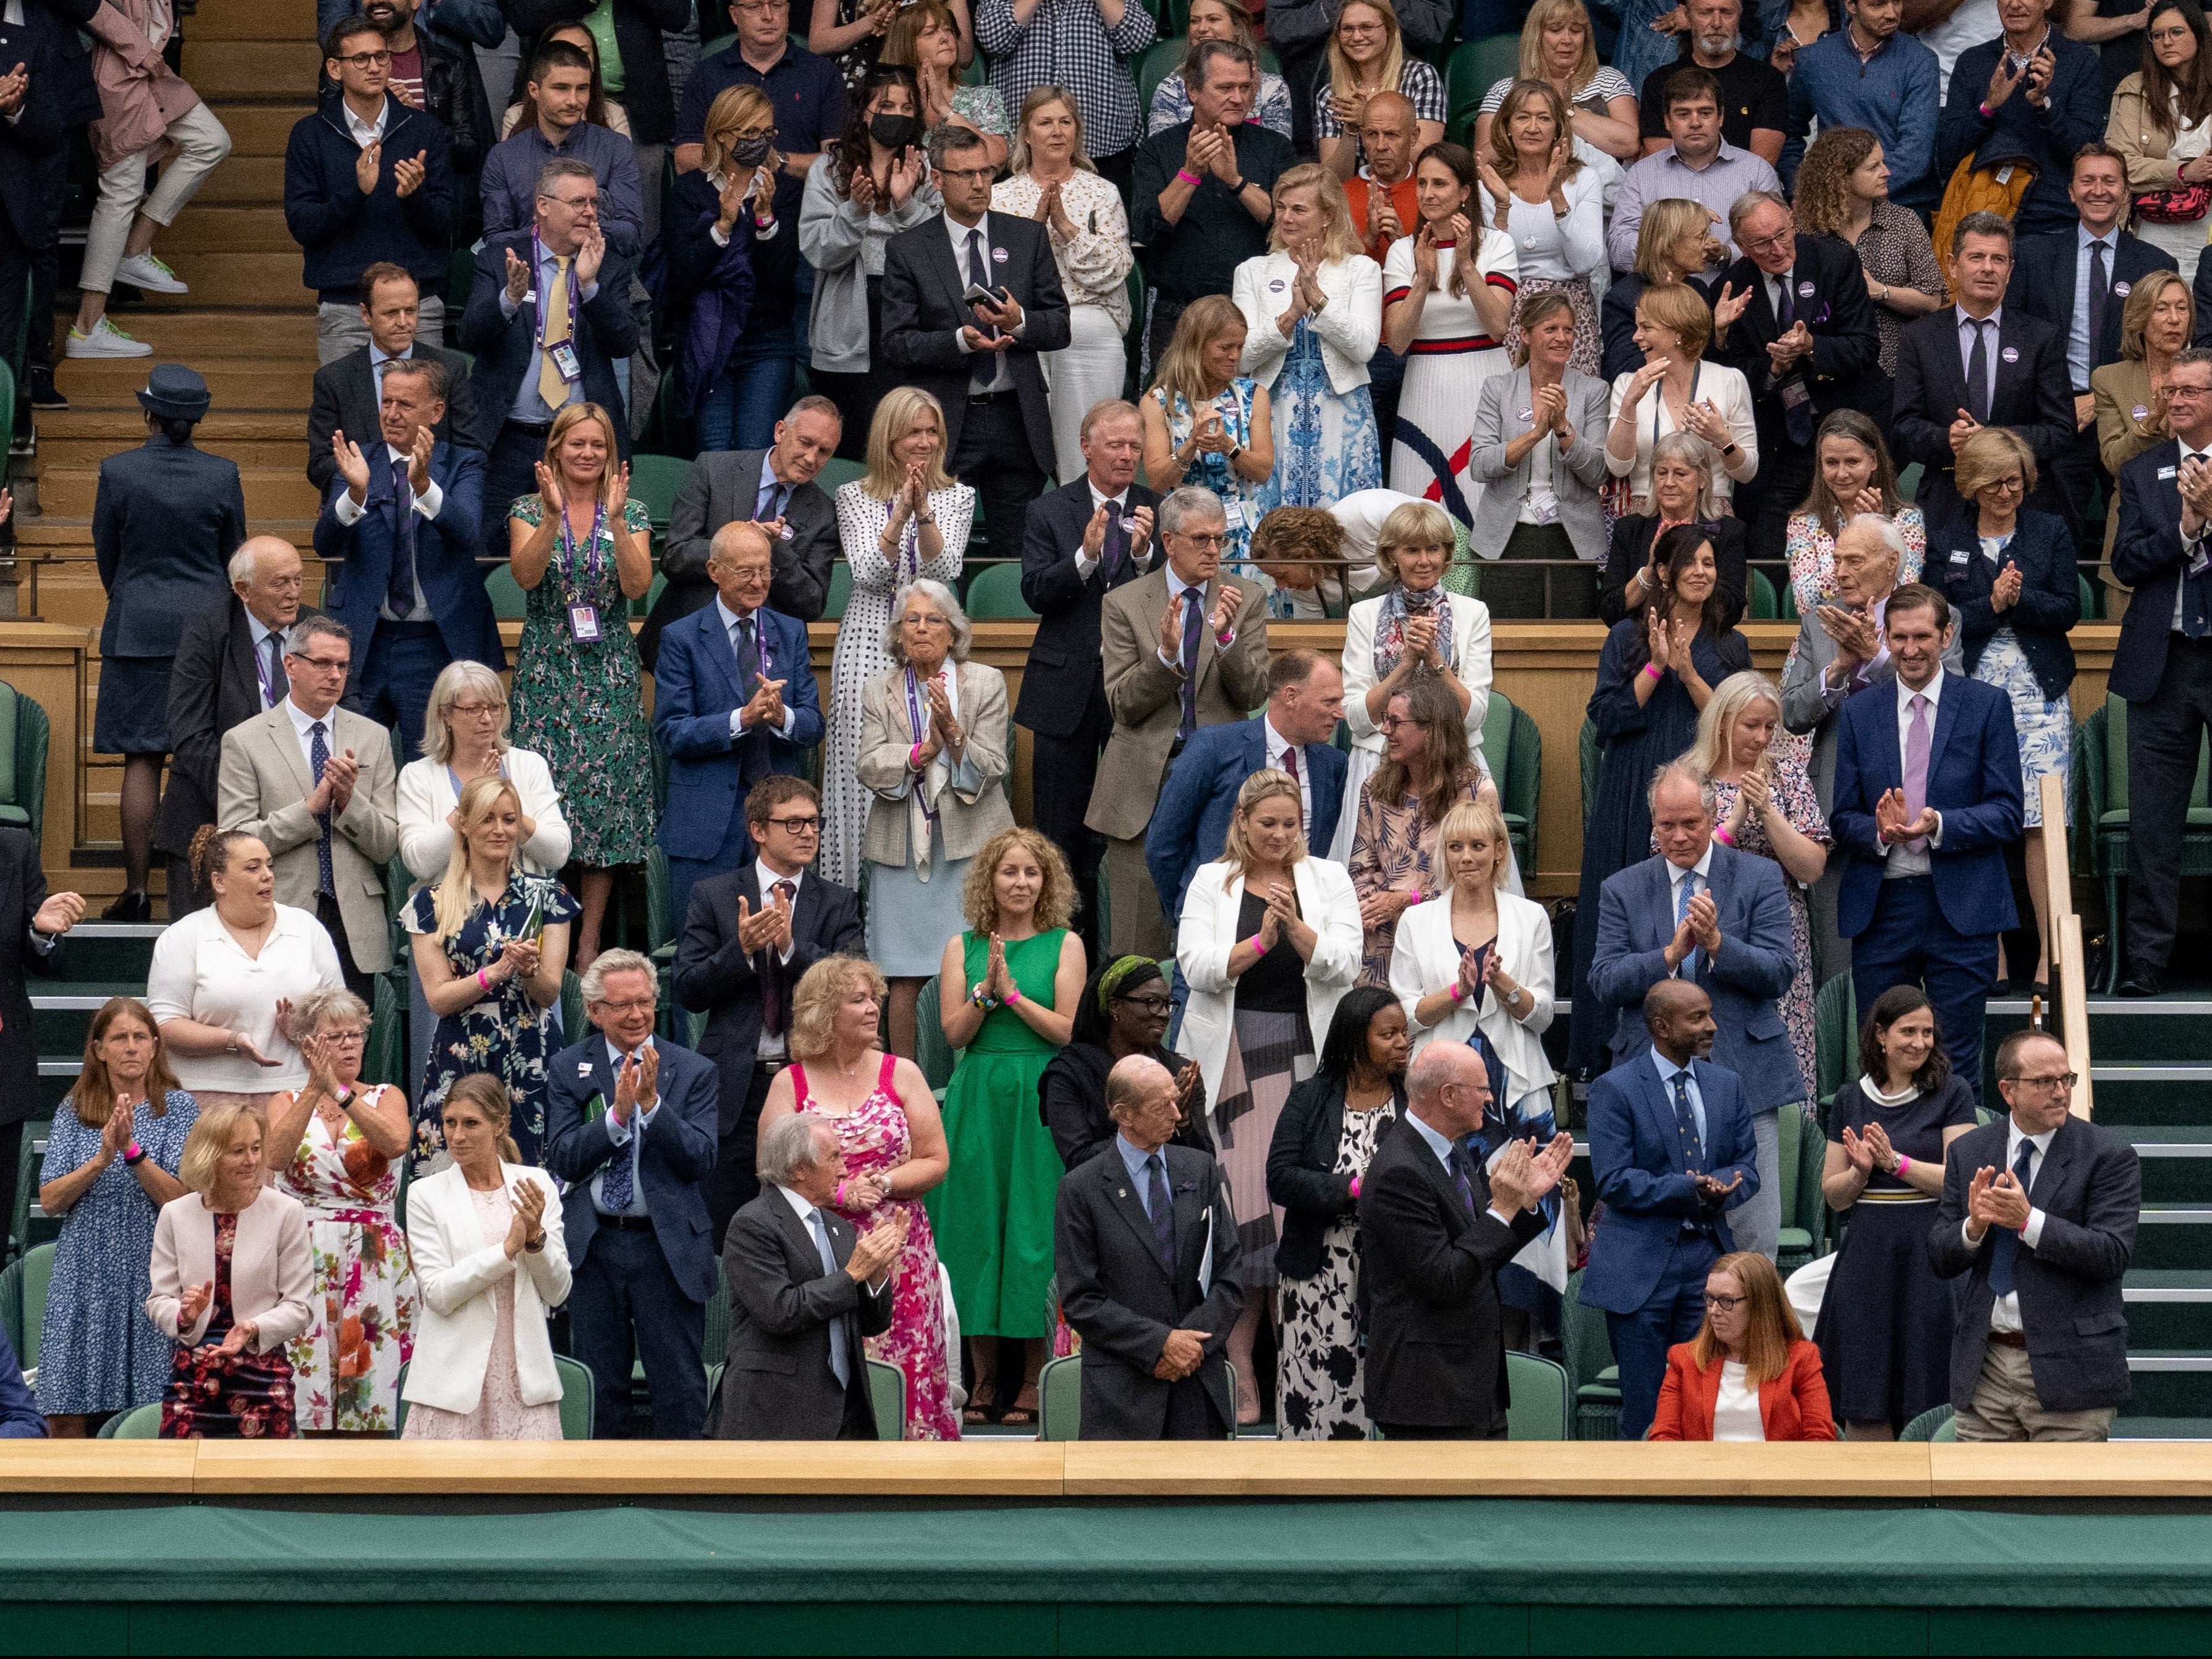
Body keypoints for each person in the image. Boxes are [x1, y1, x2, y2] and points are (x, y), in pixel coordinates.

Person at [1176, 768, 1362, 1422]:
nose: (1281, 836)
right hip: (1233, 1057)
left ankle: (1299, 1371)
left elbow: (1347, 961)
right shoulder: (1211, 881)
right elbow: (1194, 967)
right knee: (1243, 1206)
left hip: (1308, 1055)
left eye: (1291, 825)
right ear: (1243, 823)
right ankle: (1243, 1369)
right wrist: (1259, 942)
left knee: (1295, 1213)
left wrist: (1298, 932)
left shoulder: (1327, 880)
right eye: (1268, 825)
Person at [1588, 761, 1801, 1264]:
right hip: (1648, 1082)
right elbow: (1604, 981)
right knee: (1655, 1236)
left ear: (1712, 815)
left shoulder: (1759, 876)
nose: (1679, 836)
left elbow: (1779, 971)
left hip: (1742, 1076)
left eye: (1690, 823)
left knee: (1749, 1243)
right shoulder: (1622, 888)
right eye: (1666, 825)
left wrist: (1717, 944)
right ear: (1653, 823)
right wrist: (1668, 955)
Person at [1830, 583, 2023, 1099]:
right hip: (1883, 906)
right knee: (1881, 1058)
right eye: (1899, 637)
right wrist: (1876, 830)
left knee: (1955, 1059)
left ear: (1946, 634)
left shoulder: (1986, 706)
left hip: (1961, 908)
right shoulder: (1859, 712)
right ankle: (1887, 1172)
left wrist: (1940, 825)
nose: (1910, 649)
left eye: (1922, 636)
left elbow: (2008, 813)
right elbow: (1840, 818)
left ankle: (1956, 1177)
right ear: (1884, 639)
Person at [1571, 527, 1752, 1076]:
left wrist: (1687, 670)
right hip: (1631, 788)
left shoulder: (1729, 643)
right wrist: (1653, 666)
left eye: (1710, 562)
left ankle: (1700, 1041)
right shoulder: (1626, 636)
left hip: (1697, 787)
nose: (1703, 572)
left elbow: (1729, 721)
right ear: (1667, 572)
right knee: (1626, 914)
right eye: (1692, 563)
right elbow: (1605, 717)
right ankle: (1606, 1056)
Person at [759, 954, 956, 1440]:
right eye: (858, 1000)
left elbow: (935, 1158)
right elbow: (771, 1168)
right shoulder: (791, 1082)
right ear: (824, 1012)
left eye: (875, 999)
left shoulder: (901, 1072)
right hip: (819, 1251)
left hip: (899, 1248)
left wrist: (884, 1184)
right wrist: (844, 1191)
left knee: (907, 1363)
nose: (873, 1009)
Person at [1389, 798, 1569, 1320]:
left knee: (1528, 1214)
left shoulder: (1530, 916)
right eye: (1455, 846)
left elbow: (1540, 1016)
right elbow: (1403, 1014)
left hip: (1516, 1083)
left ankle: (1522, 1344)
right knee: (1453, 1212)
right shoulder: (1416, 921)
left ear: (1498, 851)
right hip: (1444, 1089)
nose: (1466, 856)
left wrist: (1504, 985)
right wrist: (1456, 990)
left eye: (1476, 846)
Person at [928, 829, 1083, 1426]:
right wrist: (986, 997)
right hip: (978, 1096)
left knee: (1033, 1229)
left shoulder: (1064, 943)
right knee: (974, 1228)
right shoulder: (958, 945)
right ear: (988, 880)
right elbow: (953, 1033)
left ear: (1046, 882)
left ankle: (1036, 1380)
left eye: (1032, 873)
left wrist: (1011, 995)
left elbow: (1068, 1029)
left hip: (1041, 1095)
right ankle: (982, 1378)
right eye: (1009, 872)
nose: (1021, 882)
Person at [674, 775, 865, 1246]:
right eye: (794, 822)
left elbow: (853, 981)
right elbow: (687, 988)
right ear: (758, 829)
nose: (808, 832)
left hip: (811, 1079)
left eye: (814, 822)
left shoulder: (837, 901)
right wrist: (738, 952)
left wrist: (791, 949)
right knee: (727, 1226)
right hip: (736, 1088)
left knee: (809, 1228)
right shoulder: (715, 895)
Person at [1930, 1029, 2142, 1440]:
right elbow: (1939, 1255)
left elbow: (2111, 1253)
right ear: (2007, 1090)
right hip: (1986, 1368)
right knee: (1978, 1503)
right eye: (2045, 1081)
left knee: (2064, 1505)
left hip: (2070, 1372)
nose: (2060, 1092)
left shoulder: (2107, 1155)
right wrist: (1972, 1228)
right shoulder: (1969, 1152)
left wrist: (2029, 1222)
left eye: (2066, 1079)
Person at [91, 363, 247, 922]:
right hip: (208, 628)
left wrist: (134, 596)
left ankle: (136, 890)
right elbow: (237, 557)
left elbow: (107, 553)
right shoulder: (222, 474)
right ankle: (212, 892)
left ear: (149, 413)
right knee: (206, 754)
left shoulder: (117, 471)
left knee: (141, 756)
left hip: (136, 628)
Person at [1089, 486, 1271, 960]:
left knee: (1218, 935)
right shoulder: (1125, 603)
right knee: (1136, 947)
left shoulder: (1246, 597)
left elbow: (1253, 695)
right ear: (1168, 542)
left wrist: (1226, 638)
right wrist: (1165, 656)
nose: (1214, 550)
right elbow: (1123, 704)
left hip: (1219, 783)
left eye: (1220, 539)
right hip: (1142, 785)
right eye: (1201, 540)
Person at [545, 950, 721, 1440]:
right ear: (596, 1011)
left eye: (644, 1002)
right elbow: (562, 1156)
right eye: (622, 1005)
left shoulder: (692, 1070)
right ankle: (600, 1505)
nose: (636, 1015)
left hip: (666, 1249)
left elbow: (700, 1158)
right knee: (599, 1388)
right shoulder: (567, 1068)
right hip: (595, 1245)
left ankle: (682, 1501)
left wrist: (653, 1107)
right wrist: (617, 1118)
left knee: (680, 1389)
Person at [1358, 1042, 1573, 1439]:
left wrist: (1524, 1202)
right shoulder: (1398, 1172)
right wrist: (1502, 1209)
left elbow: (1478, 1251)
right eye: (1482, 1089)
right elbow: (1444, 1278)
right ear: (1449, 1095)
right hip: (1428, 1395)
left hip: (1474, 1386)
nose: (1491, 1098)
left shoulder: (1448, 1148)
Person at [505, 402, 654, 968]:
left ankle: (589, 941)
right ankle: (545, 932)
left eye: (598, 445)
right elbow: (525, 575)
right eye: (577, 444)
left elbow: (638, 584)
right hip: (548, 665)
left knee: (605, 803)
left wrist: (616, 523)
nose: (587, 454)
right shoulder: (526, 506)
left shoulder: (633, 511)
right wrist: (549, 518)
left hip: (610, 668)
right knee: (546, 795)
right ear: (555, 450)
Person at [881, 123, 1071, 561]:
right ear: (937, 179)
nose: (979, 183)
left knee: (1017, 555)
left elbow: (1059, 326)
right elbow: (895, 343)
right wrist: (959, 341)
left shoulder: (1025, 237)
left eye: (985, 172)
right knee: (940, 553)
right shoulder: (908, 250)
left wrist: (1019, 321)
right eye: (965, 174)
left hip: (1016, 417)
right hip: (944, 423)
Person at [1932, 428, 2079, 993]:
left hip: (2039, 696)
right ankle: (1988, 956)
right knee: (1980, 823)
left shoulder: (2048, 531)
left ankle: (2049, 958)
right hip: (1970, 697)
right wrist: (1990, 605)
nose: (2005, 492)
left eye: (2014, 481)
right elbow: (1941, 618)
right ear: (1971, 484)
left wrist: (2022, 600)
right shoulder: (1947, 539)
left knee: (2042, 826)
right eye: (1994, 482)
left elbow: (2066, 607)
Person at [1581, 981, 1760, 1438]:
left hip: (1707, 1261)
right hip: (1640, 1269)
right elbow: (1613, 1180)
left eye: (1709, 1014)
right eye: (1697, 1017)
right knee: (1645, 1411)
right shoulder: (1614, 1089)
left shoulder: (1727, 1084)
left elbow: (1748, 1166)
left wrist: (1727, 1186)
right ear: (1661, 1026)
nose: (1712, 1026)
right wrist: (1686, 1187)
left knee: (1706, 1405)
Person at [1017, 399, 1160, 934]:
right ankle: (1060, 951)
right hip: (1066, 691)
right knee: (1059, 833)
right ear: (1086, 447)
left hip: (1136, 691)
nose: (1127, 456)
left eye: (1134, 447)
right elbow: (1035, 592)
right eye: (1116, 445)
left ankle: (1121, 957)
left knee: (1129, 834)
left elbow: (1176, 593)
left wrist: (1146, 558)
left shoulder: (1156, 507)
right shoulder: (1050, 510)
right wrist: (1084, 557)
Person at [821, 389, 973, 890]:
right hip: (868, 637)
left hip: (932, 640)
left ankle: (925, 899)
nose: (925, 441)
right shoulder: (853, 495)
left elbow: (944, 567)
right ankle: (858, 898)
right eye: (914, 432)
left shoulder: (958, 495)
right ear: (889, 438)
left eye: (933, 432)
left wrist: (924, 510)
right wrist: (899, 513)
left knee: (930, 760)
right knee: (867, 765)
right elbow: (867, 572)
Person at [315, 358, 501, 761]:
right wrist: (356, 495)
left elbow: (469, 533)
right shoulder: (355, 461)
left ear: (435, 411)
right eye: (386, 402)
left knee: (435, 773)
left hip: (435, 644)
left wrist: (424, 486)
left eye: (404, 404)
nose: (392, 414)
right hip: (366, 641)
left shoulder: (463, 463)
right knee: (355, 767)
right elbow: (323, 542)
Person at [857, 579, 1013, 1058]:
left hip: (970, 844)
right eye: (912, 620)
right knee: (903, 973)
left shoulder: (984, 681)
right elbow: (868, 762)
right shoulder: (877, 689)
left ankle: (969, 1076)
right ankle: (905, 1084)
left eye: (934, 620)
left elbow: (993, 765)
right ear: (898, 634)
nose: (922, 628)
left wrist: (953, 732)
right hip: (900, 845)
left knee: (971, 966)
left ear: (953, 634)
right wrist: (921, 751)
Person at [1814, 986, 1978, 1438]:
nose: (1919, 1042)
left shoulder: (1952, 1092)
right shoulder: (1850, 1098)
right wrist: (1860, 1173)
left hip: (1931, 1255)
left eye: (1927, 1032)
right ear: (1880, 1036)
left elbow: (1959, 1182)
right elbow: (1833, 1194)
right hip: (1867, 1258)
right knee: (1866, 1389)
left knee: (1929, 1383)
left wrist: (1895, 1163)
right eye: (1908, 1031)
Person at [1054, 1054, 1244, 1438]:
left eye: (1176, 1100)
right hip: (1123, 1394)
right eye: (1163, 1106)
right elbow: (1081, 1299)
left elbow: (1230, 1273)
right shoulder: (1081, 1189)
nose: (1177, 1114)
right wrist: (1160, 1344)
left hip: (1197, 1385)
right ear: (1124, 1115)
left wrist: (1188, 1348)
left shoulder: (1200, 1169)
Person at [214, 616, 399, 1005]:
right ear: (291, 664)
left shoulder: (373, 737)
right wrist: (310, 810)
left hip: (356, 926)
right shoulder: (244, 741)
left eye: (343, 666)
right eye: (322, 664)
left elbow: (386, 846)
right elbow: (233, 843)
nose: (334, 675)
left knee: (352, 1055)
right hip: (280, 914)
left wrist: (350, 802)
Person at [459, 159, 638, 554]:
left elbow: (625, 341)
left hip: (579, 445)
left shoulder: (609, 263)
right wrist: (508, 298)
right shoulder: (499, 257)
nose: (590, 212)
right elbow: (470, 335)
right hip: (506, 437)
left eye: (593, 202)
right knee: (485, 550)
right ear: (543, 205)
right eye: (578, 202)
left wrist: (590, 287)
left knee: (581, 552)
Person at [33, 998, 194, 1434]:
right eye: (119, 1037)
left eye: (140, 1037)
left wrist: (131, 1152)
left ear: (155, 1047)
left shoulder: (178, 1109)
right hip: (85, 1269)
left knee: (152, 1406)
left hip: (153, 1266)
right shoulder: (76, 1107)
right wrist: (102, 1157)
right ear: (99, 1049)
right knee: (67, 1407)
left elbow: (183, 1198)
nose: (131, 1047)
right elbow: (50, 1199)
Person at [653, 523, 824, 931]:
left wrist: (782, 716)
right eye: (746, 571)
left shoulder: (790, 631)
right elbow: (672, 731)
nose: (759, 582)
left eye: (766, 571)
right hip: (706, 823)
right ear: (714, 571)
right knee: (701, 953)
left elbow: (814, 724)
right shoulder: (681, 637)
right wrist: (741, 719)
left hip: (779, 824)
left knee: (782, 952)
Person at [2106, 345, 2212, 995]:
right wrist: (2185, 529)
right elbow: (2125, 561)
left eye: (2191, 392)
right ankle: (2146, 966)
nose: (2176, 401)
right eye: (2171, 391)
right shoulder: (2144, 472)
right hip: (2162, 664)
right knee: (2152, 824)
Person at [263, 986, 415, 1434]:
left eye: (356, 1035)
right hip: (305, 1253)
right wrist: (316, 1090)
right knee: (305, 1376)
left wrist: (342, 1093)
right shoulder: (285, 1101)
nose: (349, 1044)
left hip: (373, 1254)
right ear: (309, 1043)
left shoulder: (386, 1095)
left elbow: (394, 1142)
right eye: (336, 1036)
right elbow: (274, 1156)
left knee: (369, 1387)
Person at [2010, 145, 2181, 536]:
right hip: (2058, 416)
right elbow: (2018, 340)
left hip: (2133, 415)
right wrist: (2059, 405)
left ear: (2126, 191)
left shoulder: (2155, 264)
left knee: (2141, 532)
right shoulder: (2034, 257)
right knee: (2056, 538)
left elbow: (2164, 345)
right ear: (2071, 191)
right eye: (2087, 181)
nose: (2098, 190)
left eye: (2109, 181)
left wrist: (2099, 397)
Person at [404, 776, 575, 1166]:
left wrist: (530, 970)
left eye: (509, 820)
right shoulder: (430, 903)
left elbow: (549, 993)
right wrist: (494, 974)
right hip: (461, 1051)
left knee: (533, 1178)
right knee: (455, 1185)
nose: (500, 830)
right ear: (463, 824)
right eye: (487, 819)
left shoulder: (548, 896)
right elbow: (438, 998)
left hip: (532, 1051)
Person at [156, 539, 328, 919]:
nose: (293, 593)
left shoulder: (317, 630)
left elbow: (345, 714)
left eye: (299, 581)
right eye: (280, 583)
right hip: (209, 813)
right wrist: (248, 794)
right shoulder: (208, 628)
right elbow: (190, 732)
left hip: (300, 822)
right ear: (243, 590)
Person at [1679, 673, 1831, 1103]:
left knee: (1780, 1040)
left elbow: (1812, 866)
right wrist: (1732, 823)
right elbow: (1675, 860)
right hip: (1707, 921)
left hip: (1776, 927)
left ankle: (1785, 1152)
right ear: (1723, 720)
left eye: (1770, 726)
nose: (1763, 737)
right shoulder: (1689, 778)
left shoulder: (1787, 777)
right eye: (1752, 725)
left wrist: (1767, 812)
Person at [1708, 191, 1879, 564]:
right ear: (1740, 244)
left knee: (1859, 543)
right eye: (1761, 243)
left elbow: (1865, 347)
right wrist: (1773, 367)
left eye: (1782, 234)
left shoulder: (1834, 261)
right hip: (1781, 437)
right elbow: (1730, 373)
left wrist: (1812, 347)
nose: (1776, 249)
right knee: (1767, 545)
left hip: (1844, 420)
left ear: (1791, 219)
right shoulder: (1732, 287)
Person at [1267, 987, 1407, 1440]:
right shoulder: (1309, 1097)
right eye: (1388, 1034)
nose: (1402, 1042)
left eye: (1404, 1032)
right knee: (1314, 1386)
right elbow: (1280, 1177)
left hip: (1391, 1269)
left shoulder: (1414, 1100)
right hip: (1318, 1269)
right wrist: (1349, 1187)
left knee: (1379, 1381)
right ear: (1354, 1039)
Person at [399, 1073, 571, 1439]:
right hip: (451, 1383)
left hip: (525, 1380)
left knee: (530, 1493)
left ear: (500, 1126)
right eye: (450, 1123)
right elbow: (438, 1294)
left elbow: (557, 1292)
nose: (457, 1136)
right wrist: (507, 1250)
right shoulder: (425, 1194)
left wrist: (535, 1240)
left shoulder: (537, 1184)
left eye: (471, 1124)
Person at [1892, 213, 2078, 542]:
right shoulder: (1919, 338)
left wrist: (1993, 441)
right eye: (1976, 257)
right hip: (1946, 505)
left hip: (2024, 506)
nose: (1988, 268)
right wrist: (1947, 440)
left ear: (2011, 270)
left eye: (1998, 259)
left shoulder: (2041, 338)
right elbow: (1905, 428)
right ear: (1953, 265)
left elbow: (2061, 431)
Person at [718, 1113, 904, 1438]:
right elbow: (781, 1311)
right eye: (833, 1158)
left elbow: (872, 1323)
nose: (845, 1170)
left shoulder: (838, 1228)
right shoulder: (753, 1224)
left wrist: (876, 1273)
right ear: (798, 1169)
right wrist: (852, 1274)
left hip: (846, 1411)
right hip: (775, 1412)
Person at [65, 0, 230, 361]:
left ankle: (136, 248)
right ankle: (87, 328)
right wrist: (140, 49)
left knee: (211, 141)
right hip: (117, 74)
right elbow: (86, 7)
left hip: (150, 73)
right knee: (119, 193)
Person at [287, 17, 457, 365]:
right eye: (361, 59)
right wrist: (356, 191)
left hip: (416, 306)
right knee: (349, 416)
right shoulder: (310, 135)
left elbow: (446, 222)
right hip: (346, 306)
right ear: (335, 68)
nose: (374, 67)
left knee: (422, 413)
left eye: (382, 57)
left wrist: (414, 197)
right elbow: (303, 225)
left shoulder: (424, 130)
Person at [146, 829, 342, 1117]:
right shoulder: (184, 936)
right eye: (253, 867)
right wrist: (232, 1040)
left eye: (269, 865)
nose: (268, 875)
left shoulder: (307, 928)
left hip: (298, 1093)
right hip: (206, 1099)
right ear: (219, 881)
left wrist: (298, 1032)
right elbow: (165, 1026)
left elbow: (340, 1017)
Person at [994, 89, 1135, 488]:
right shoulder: (1003, 195)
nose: (1057, 132)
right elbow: (1001, 277)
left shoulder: (1101, 192)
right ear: (1026, 134)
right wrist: (1035, 232)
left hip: (1089, 321)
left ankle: (1089, 526)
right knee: (1032, 446)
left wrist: (1069, 230)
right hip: (1024, 324)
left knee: (1090, 447)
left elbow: (1116, 270)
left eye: (1065, 122)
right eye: (1045, 123)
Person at [1148, 649, 1350, 925]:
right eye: (1330, 702)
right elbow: (1163, 845)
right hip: (1219, 917)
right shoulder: (1213, 747)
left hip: (1298, 921)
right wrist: (1188, 912)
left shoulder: (1332, 764)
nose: (1340, 713)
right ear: (1291, 697)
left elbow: (1318, 848)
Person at [147, 1102, 313, 1438]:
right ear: (209, 1155)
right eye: (238, 1151)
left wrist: (251, 1328)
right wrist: (185, 1315)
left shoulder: (287, 1212)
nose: (252, 1160)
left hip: (261, 1373)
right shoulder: (174, 1215)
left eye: (256, 1148)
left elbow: (300, 1307)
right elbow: (158, 1300)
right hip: (192, 1376)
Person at [798, 65, 940, 453]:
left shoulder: (927, 168)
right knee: (853, 446)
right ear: (864, 111)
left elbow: (941, 251)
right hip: (849, 320)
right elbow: (818, 250)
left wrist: (906, 203)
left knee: (903, 446)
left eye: (907, 107)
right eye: (886, 105)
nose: (897, 115)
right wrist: (855, 212)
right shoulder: (828, 168)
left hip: (910, 319)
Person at [1130, 41, 1295, 363]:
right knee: (1173, 408)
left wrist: (1236, 182)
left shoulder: (1275, 148)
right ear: (1193, 91)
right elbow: (1147, 229)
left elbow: (1290, 226)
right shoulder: (1159, 150)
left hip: (1258, 308)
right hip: (1180, 312)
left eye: (1246, 87)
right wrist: (1190, 174)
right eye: (1225, 88)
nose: (1239, 98)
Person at [1232, 163, 1383, 513]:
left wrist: (1317, 300)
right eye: (1281, 207)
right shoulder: (1253, 271)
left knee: (1343, 517)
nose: (1285, 217)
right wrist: (1290, 316)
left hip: (1342, 410)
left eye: (1299, 209)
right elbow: (1241, 359)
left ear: (1328, 214)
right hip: (1272, 410)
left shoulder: (1361, 269)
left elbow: (1364, 348)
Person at [1384, 142, 1519, 524]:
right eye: (1422, 183)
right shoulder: (1401, 252)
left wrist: (1465, 264)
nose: (1427, 193)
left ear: (1464, 193)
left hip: (1484, 381)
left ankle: (1486, 585)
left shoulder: (1497, 244)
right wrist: (1424, 278)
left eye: (1440, 184)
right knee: (1421, 508)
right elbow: (1397, 341)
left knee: (1483, 497)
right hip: (1424, 382)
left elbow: (1497, 327)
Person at [653, 401, 842, 664]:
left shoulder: (824, 512)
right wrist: (737, 544)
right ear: (780, 432)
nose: (811, 458)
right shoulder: (713, 469)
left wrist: (774, 548)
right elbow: (674, 557)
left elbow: (812, 604)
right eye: (805, 442)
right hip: (689, 649)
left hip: (763, 658)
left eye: (824, 451)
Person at [1468, 290, 1613, 618]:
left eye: (1569, 330)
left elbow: (1597, 473)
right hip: (1508, 537)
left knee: (1569, 644)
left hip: (1570, 538)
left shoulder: (1593, 391)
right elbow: (1479, 465)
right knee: (1506, 642)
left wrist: (1563, 429)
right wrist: (1535, 435)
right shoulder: (1498, 388)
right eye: (1551, 329)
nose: (1562, 338)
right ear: (1525, 334)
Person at [1790, 128, 1947, 423]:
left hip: (1892, 372)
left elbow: (1933, 300)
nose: (1887, 172)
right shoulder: (1806, 231)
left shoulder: (1903, 222)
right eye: (1873, 167)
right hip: (1824, 374)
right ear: (1840, 177)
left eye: (1883, 162)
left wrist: (1880, 291)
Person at [659, 85, 784, 455]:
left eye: (767, 133)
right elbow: (683, 275)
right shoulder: (688, 192)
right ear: (722, 136)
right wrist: (723, 226)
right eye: (749, 133)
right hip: (706, 339)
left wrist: (764, 219)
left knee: (753, 453)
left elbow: (779, 278)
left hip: (766, 342)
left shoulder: (784, 190)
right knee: (713, 454)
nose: (759, 141)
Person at [1349, 679, 1489, 986]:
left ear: (1431, 729)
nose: (1385, 731)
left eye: (1395, 722)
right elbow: (1360, 869)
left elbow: (1481, 879)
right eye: (1386, 720)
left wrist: (1407, 900)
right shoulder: (1375, 788)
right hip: (1382, 931)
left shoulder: (1476, 792)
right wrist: (1374, 905)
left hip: (1448, 933)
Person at [305, 264, 488, 496]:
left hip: (431, 503)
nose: (403, 322)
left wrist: (425, 488)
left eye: (410, 311)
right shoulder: (334, 380)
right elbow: (321, 464)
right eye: (391, 313)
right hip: (364, 509)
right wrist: (376, 485)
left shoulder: (449, 369)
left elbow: (470, 452)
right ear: (365, 314)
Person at [1937, 0, 2103, 243]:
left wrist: (2043, 105)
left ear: (2048, 2)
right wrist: (1988, 107)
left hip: (2053, 218)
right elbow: (1948, 153)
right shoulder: (1973, 61)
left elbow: (2086, 153)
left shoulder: (2080, 61)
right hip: (1983, 218)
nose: (2015, 5)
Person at [1040, 956, 1213, 1176]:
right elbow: (1078, 1160)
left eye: (1168, 1004)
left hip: (1175, 1201)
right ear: (1115, 1006)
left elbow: (1205, 1164)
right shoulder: (1070, 1074)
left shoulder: (1181, 1073)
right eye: (1151, 1002)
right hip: (1107, 1203)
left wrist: (1184, 1120)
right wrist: (1152, 1121)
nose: (1163, 1015)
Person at [1140, 297, 1274, 580]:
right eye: (1226, 347)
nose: (1235, 356)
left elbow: (1263, 471)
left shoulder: (1254, 395)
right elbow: (1157, 480)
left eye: (1240, 347)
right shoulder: (1158, 402)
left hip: (1242, 533)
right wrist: (1190, 446)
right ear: (1196, 346)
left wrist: (1230, 448)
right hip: (1185, 536)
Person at [1480, 82, 1607, 376]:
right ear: (1507, 126)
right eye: (1523, 117)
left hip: (1569, 312)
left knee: (1573, 412)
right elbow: (1485, 263)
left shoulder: (1584, 179)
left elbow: (1587, 262)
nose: (1533, 127)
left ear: (1558, 128)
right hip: (1510, 310)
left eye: (1544, 118)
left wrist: (1557, 197)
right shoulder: (1489, 183)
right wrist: (1502, 206)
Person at [1603, 282, 1759, 520]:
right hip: (1647, 513)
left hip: (1710, 513)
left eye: (1646, 327)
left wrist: (1723, 440)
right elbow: (1618, 467)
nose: (1636, 337)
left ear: (1679, 332)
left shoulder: (1729, 380)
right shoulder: (1628, 384)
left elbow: (1747, 473)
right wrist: (1629, 404)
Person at [1606, 70, 1782, 277]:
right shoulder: (1641, 174)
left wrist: (1725, 255)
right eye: (1683, 114)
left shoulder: (1756, 171)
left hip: (1740, 297)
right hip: (1664, 303)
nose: (1695, 122)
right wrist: (1674, 244)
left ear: (1721, 117)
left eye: (1705, 113)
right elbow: (1618, 250)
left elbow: (1777, 243)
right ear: (1667, 122)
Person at [478, 41, 644, 256]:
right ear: (534, 90)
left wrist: (558, 231)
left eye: (582, 89)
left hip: (602, 276)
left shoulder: (615, 148)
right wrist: (564, 230)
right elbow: (496, 240)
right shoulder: (503, 157)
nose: (574, 100)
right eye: (561, 88)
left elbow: (631, 235)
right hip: (528, 276)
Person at [1649, 1250, 1835, 1440]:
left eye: (1726, 1301)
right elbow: (1664, 1438)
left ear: (1760, 1305)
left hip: (1779, 1469)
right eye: (1710, 1298)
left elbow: (1820, 1440)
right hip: (1703, 1468)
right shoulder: (1684, 1360)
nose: (1714, 1311)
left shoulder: (1801, 1359)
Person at [973, 0, 1156, 192]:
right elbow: (992, 40)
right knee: (1019, 221)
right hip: (1023, 150)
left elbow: (1138, 41)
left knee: (1100, 219)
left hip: (1102, 142)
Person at [1781, 0, 1939, 214]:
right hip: (1833, 207)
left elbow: (1915, 154)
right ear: (1851, 5)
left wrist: (1852, 195)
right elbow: (1788, 134)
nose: (1892, 13)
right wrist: (1799, 189)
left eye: (1898, 2)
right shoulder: (1814, 60)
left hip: (1903, 205)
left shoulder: (1920, 60)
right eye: (1877, 5)